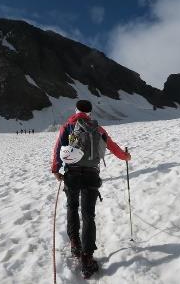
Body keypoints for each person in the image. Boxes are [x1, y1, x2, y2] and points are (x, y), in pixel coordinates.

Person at [51, 100, 131, 278]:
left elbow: (57, 149)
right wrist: (125, 156)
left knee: (72, 207)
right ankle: (87, 258)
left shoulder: (68, 126)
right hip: (91, 175)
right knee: (88, 214)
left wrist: (56, 169)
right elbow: (112, 146)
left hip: (71, 174)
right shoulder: (98, 129)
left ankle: (74, 243)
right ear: (90, 113)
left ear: (76, 110)